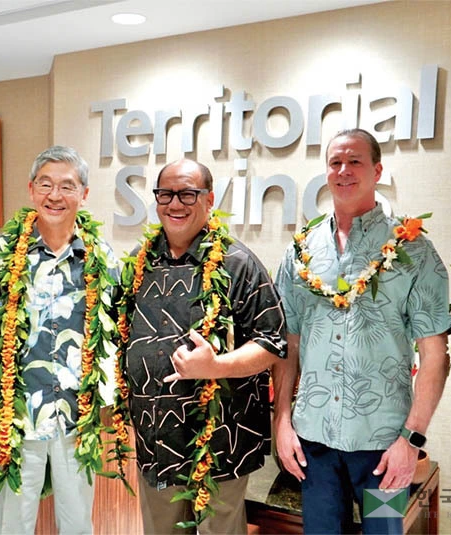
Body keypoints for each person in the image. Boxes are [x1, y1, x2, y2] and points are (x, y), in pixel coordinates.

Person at [273, 128, 451, 534]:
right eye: (335, 162)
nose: (343, 170)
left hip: (385, 445)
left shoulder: (413, 249)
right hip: (314, 442)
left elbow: (435, 356)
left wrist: (412, 440)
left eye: (354, 161)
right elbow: (289, 343)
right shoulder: (301, 251)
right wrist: (282, 422)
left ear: (377, 170)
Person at [117, 158, 287, 533]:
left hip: (221, 444)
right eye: (166, 194)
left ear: (209, 200)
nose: (175, 204)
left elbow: (272, 344)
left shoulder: (238, 263)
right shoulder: (139, 264)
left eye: (188, 194)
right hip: (156, 442)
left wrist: (216, 367)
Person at [0, 146, 118, 534]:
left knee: (78, 525)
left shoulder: (102, 258)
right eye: (45, 184)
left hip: (77, 419)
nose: (55, 195)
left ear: (84, 194)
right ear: (31, 189)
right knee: (12, 526)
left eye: (67, 186)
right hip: (17, 418)